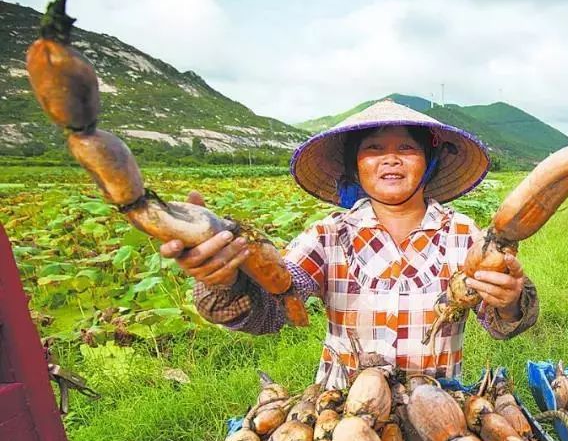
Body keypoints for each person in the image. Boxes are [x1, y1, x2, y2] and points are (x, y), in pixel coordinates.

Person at [161, 100, 538, 384]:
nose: (390, 159)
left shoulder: (463, 235)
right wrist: (223, 280)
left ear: (430, 162)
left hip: (439, 403)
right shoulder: (329, 236)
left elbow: (501, 322)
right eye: (373, 149)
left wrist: (508, 301)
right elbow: (274, 306)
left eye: (407, 148)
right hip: (341, 411)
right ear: (355, 165)